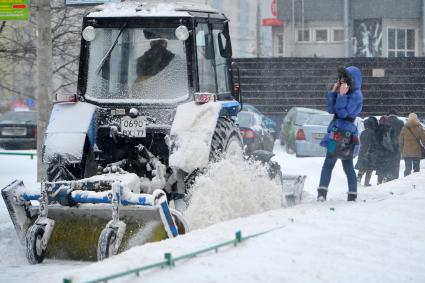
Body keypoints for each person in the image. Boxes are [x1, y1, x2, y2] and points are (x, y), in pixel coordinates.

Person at [318, 66, 363, 202]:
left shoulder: (356, 96)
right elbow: (332, 110)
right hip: (336, 134)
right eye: (341, 78)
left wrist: (342, 96)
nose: (341, 81)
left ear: (352, 80)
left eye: (344, 78)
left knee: (346, 164)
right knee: (329, 162)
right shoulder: (345, 92)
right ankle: (322, 192)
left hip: (346, 136)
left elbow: (343, 114)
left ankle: (352, 194)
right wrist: (333, 92)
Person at [355, 116, 379, 186]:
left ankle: (358, 177)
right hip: (371, 152)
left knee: (362, 166)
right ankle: (367, 182)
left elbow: (361, 141)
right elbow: (375, 143)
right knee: (370, 168)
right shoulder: (374, 133)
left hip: (363, 151)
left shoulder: (363, 132)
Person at [387, 110, 404, 180]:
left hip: (387, 146)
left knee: (387, 161)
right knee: (396, 162)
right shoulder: (401, 122)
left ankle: (387, 176)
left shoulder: (386, 121)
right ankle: (395, 176)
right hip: (397, 145)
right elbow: (403, 134)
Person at [375, 115, 393, 184]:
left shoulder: (376, 129)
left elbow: (375, 139)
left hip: (378, 150)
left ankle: (379, 181)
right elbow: (389, 140)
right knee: (386, 165)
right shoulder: (387, 129)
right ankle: (384, 179)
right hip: (386, 150)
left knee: (380, 165)